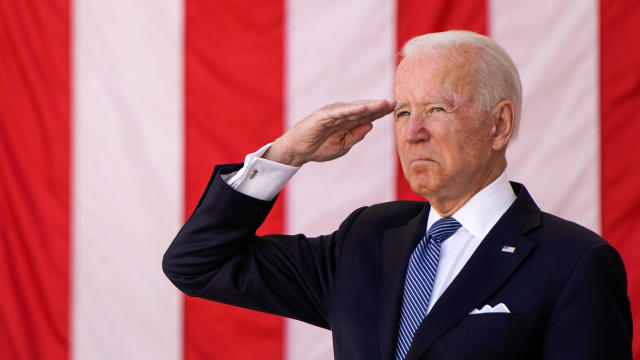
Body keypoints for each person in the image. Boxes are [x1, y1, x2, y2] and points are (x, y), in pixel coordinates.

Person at [163, 30, 632, 359]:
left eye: (437, 108)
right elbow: (198, 264)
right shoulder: (366, 239)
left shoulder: (576, 262)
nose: (414, 133)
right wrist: (288, 153)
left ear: (499, 124)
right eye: (403, 112)